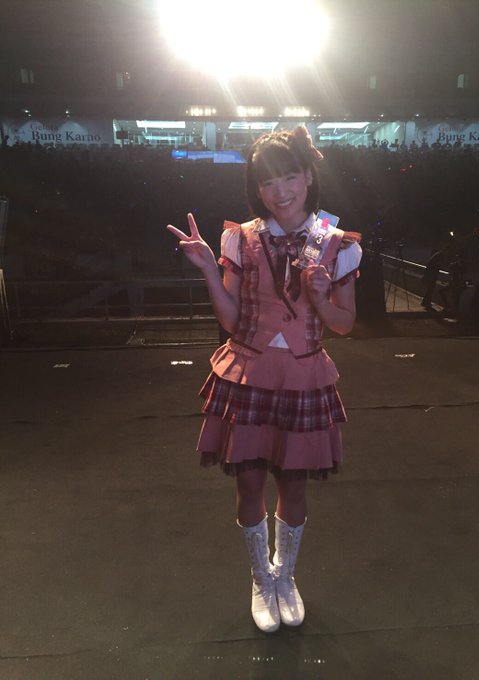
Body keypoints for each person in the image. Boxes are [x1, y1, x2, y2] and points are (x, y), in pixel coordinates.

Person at [167, 126, 362, 633]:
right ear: (257, 188)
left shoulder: (337, 244)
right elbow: (232, 320)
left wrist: (320, 297)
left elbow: (344, 324)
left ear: (309, 176)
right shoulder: (241, 237)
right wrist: (208, 269)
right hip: (249, 371)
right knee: (249, 483)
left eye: (289, 177)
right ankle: (261, 580)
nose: (280, 191)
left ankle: (286, 577)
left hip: (303, 375)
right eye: (268, 182)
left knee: (294, 487)